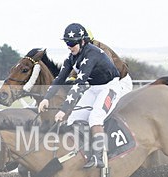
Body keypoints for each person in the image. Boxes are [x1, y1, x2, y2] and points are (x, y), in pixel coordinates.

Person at [37, 23, 123, 169]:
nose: (69, 47)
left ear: (83, 41)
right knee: (74, 118)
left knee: (95, 117)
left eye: (71, 43)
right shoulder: (72, 57)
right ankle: (84, 150)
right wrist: (46, 98)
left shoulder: (92, 54)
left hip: (110, 87)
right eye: (67, 43)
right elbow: (59, 79)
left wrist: (63, 110)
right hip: (94, 88)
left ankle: (99, 156)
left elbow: (79, 84)